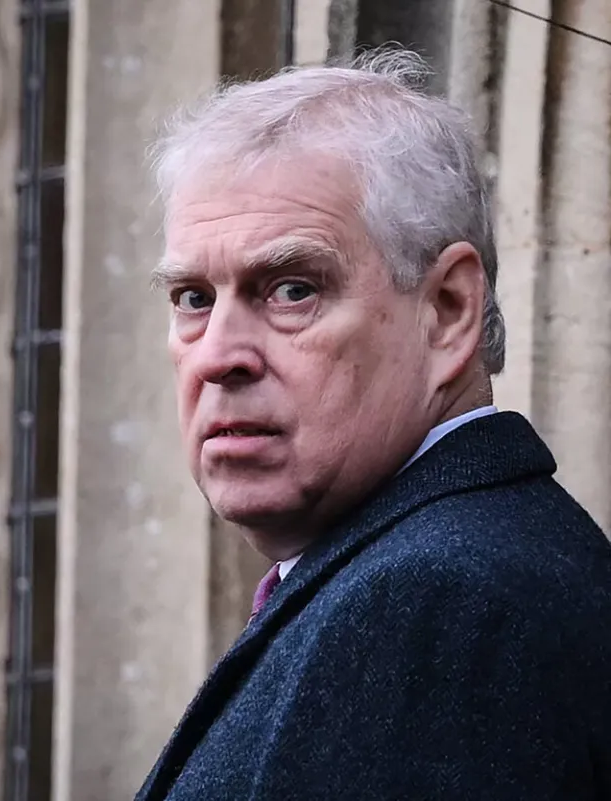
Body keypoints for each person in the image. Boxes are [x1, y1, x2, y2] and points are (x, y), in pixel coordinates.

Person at [135, 48, 611, 801]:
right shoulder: (425, 571)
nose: (218, 355)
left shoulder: (438, 603)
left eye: (292, 289)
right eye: (194, 298)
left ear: (448, 309)